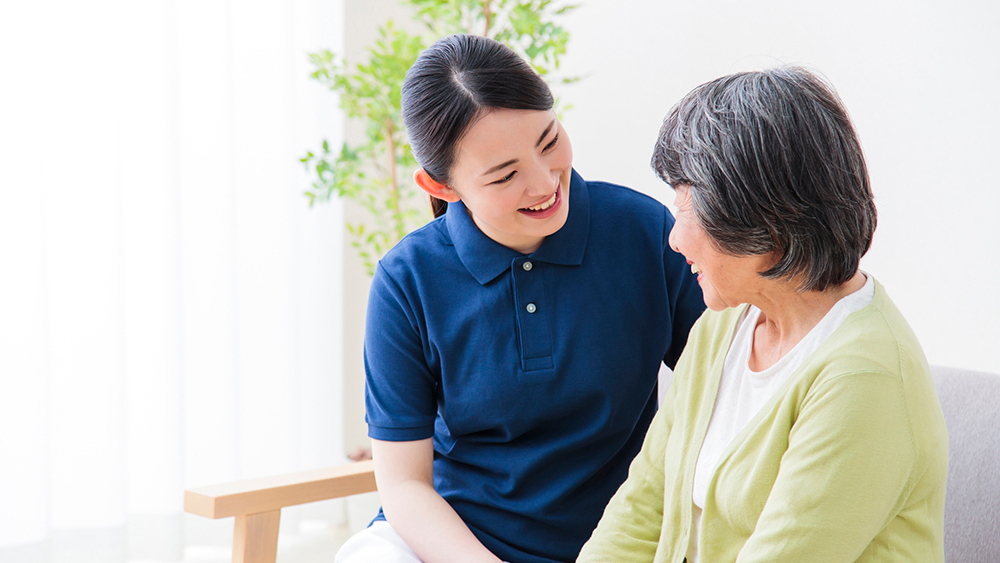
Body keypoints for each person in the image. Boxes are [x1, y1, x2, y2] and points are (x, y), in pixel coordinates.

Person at [333, 34, 705, 563]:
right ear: (441, 187)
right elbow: (405, 487)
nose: (544, 182)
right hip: (453, 542)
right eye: (505, 174)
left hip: (619, 541)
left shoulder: (642, 231)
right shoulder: (406, 279)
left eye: (549, 140)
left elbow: (731, 377)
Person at [577, 66, 949, 563]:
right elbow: (642, 505)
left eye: (689, 208)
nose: (674, 237)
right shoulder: (723, 326)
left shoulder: (864, 379)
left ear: (764, 222)